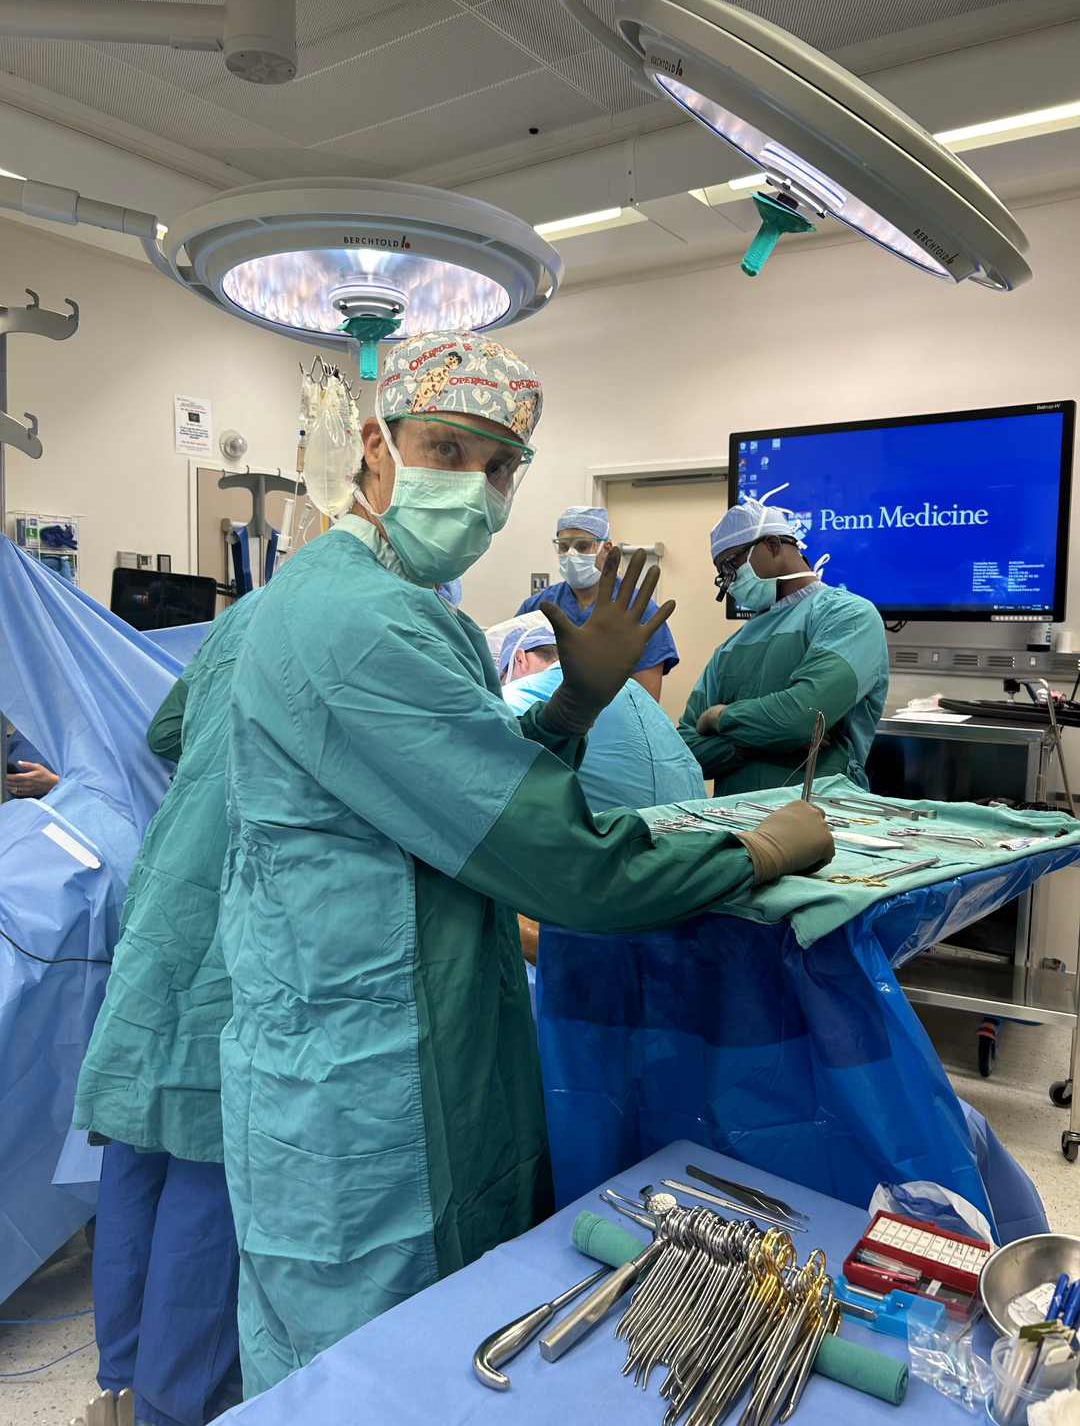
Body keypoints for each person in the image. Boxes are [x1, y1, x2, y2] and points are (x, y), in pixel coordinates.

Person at [216, 328, 833, 1396]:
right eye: (447, 451)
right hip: (362, 1074)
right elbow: (567, 867)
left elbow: (473, 788)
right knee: (362, 1376)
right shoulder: (352, 620)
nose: (477, 485)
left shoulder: (417, 615)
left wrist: (575, 707)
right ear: (376, 447)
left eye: (501, 466)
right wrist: (753, 851)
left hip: (421, 1024)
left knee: (452, 1348)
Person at [72, 590, 263, 1426]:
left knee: (138, 1147)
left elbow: (163, 731)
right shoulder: (368, 620)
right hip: (234, 905)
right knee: (206, 1159)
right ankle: (170, 1404)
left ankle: (118, 1379)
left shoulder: (246, 615)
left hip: (165, 897)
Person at [679, 493, 888, 795]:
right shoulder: (730, 647)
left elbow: (803, 718)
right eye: (722, 575)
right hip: (733, 817)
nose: (729, 582)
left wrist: (717, 717)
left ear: (772, 544)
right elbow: (685, 751)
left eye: (730, 566)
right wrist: (747, 745)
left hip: (822, 812)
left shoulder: (849, 615)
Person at [499, 621, 704, 811]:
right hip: (695, 817)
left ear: (520, 658)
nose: (502, 683)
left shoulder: (515, 695)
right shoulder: (629, 686)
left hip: (618, 830)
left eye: (503, 676)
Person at [516, 506, 677, 701]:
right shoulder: (536, 607)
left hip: (614, 717)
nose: (571, 555)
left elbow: (646, 704)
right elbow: (511, 677)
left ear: (606, 549)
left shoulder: (640, 611)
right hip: (541, 714)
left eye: (582, 546)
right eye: (564, 547)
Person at [4, 725, 59, 797]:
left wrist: (55, 783)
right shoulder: (24, 732)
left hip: (59, 801)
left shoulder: (72, 735)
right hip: (12, 801)